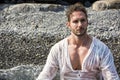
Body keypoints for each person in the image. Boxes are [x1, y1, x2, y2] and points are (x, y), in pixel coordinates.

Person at [36, 3, 120, 80]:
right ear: (68, 24)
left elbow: (112, 77)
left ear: (87, 22)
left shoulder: (101, 49)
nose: (80, 25)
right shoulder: (58, 49)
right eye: (75, 21)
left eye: (82, 20)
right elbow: (46, 75)